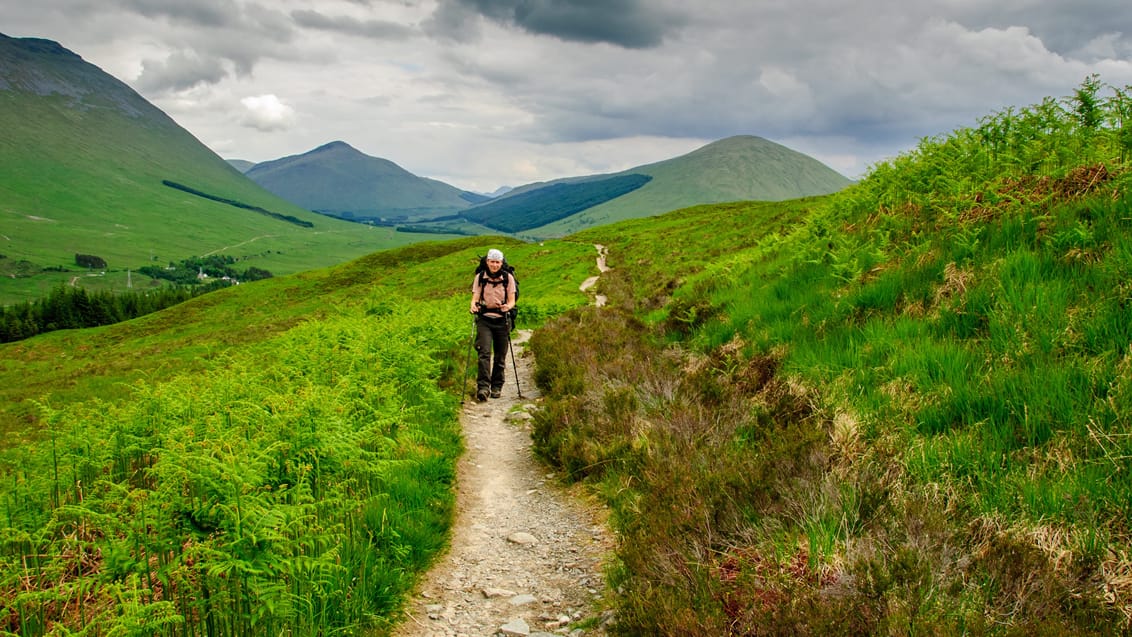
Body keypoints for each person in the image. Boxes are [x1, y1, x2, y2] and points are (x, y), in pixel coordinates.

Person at [469, 249, 516, 402]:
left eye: (497, 262)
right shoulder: (480, 277)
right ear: (487, 262)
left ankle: (497, 386)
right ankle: (483, 388)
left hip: (502, 319)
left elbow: (512, 300)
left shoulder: (508, 278)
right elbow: (475, 296)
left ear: (501, 263)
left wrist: (507, 307)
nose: (494, 265)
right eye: (492, 261)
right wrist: (473, 306)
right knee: (484, 353)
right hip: (484, 319)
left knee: (500, 356)